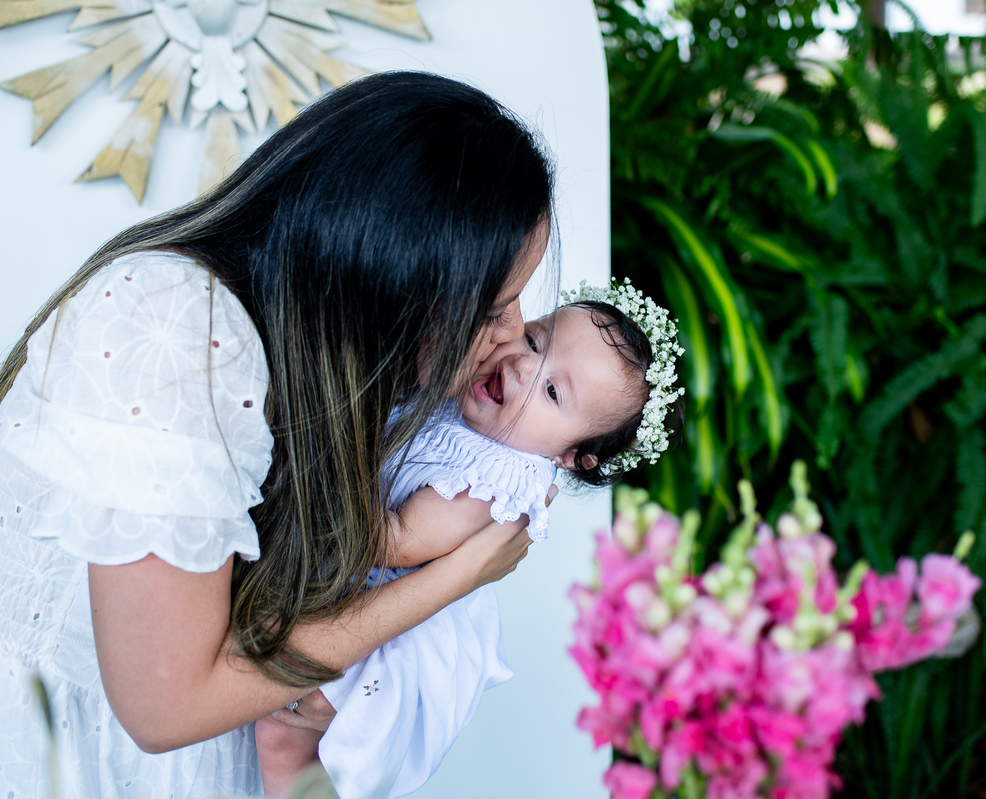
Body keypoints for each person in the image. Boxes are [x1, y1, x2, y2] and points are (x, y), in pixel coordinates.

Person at [0, 71, 556, 798]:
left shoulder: (308, 372)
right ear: (392, 276)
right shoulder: (178, 329)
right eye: (496, 305)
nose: (512, 335)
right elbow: (165, 707)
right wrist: (457, 575)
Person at [254, 282, 684, 797]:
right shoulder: (461, 405)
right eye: (535, 340)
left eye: (552, 390)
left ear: (571, 456)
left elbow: (396, 542)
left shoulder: (499, 479)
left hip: (389, 628)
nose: (525, 366)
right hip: (351, 585)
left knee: (286, 734)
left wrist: (320, 464)